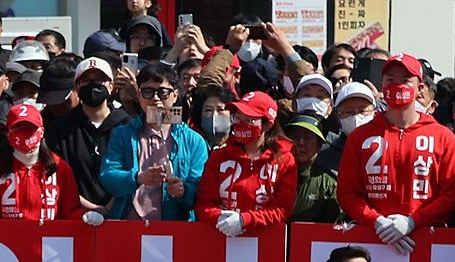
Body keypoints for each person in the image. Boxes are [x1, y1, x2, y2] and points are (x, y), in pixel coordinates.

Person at [337, 53, 455, 255]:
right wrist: (376, 221)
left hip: (428, 243)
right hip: (370, 242)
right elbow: (347, 192)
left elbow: (451, 192)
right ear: (382, 86)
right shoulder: (360, 137)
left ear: (420, 88)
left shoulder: (443, 137)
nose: (397, 86)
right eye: (390, 80)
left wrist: (413, 222)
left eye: (405, 80)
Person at [100, 62, 208, 221]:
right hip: (128, 224)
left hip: (175, 228)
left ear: (175, 95)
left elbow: (202, 190)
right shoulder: (123, 134)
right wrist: (137, 178)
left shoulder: (194, 140)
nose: (156, 98)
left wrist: (183, 191)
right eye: (148, 92)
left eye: (163, 92)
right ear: (138, 95)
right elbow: (108, 176)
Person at [196, 91, 297, 235]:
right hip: (220, 238)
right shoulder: (218, 157)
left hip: (266, 241)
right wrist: (220, 219)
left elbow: (282, 209)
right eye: (237, 117)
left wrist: (245, 220)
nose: (240, 123)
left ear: (267, 125)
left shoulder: (284, 160)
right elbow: (204, 203)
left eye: (249, 119)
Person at [0, 102, 89, 222]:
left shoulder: (59, 168)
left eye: (30, 127)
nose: (24, 132)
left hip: (50, 239)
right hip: (9, 238)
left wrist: (85, 217)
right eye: (18, 127)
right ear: (8, 133)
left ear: (41, 131)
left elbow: (70, 211)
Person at [46, 56, 131, 214]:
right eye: (86, 80)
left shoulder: (127, 126)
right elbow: (57, 178)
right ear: (76, 87)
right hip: (75, 215)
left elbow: (133, 170)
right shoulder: (60, 129)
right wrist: (92, 208)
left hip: (122, 214)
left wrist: (111, 207)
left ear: (111, 85)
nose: (93, 85)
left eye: (99, 79)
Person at [286, 114, 341, 223]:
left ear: (319, 146)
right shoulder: (271, 175)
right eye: (295, 137)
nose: (301, 143)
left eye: (308, 137)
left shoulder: (328, 185)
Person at [315, 81, 375, 176]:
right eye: (348, 111)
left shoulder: (385, 150)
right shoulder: (325, 157)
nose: (356, 117)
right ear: (338, 117)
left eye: (363, 111)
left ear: (374, 113)